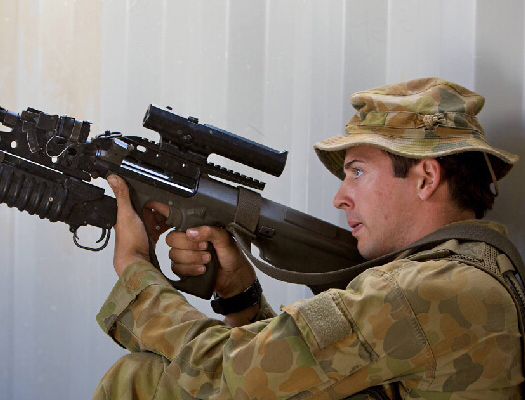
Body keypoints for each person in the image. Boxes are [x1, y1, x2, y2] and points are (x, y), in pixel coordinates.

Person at [93, 78, 523, 399]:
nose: (340, 198)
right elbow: (301, 381)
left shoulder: (422, 291)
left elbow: (226, 375)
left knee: (143, 380)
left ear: (426, 178)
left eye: (356, 171)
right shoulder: (471, 273)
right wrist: (239, 295)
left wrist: (135, 268)